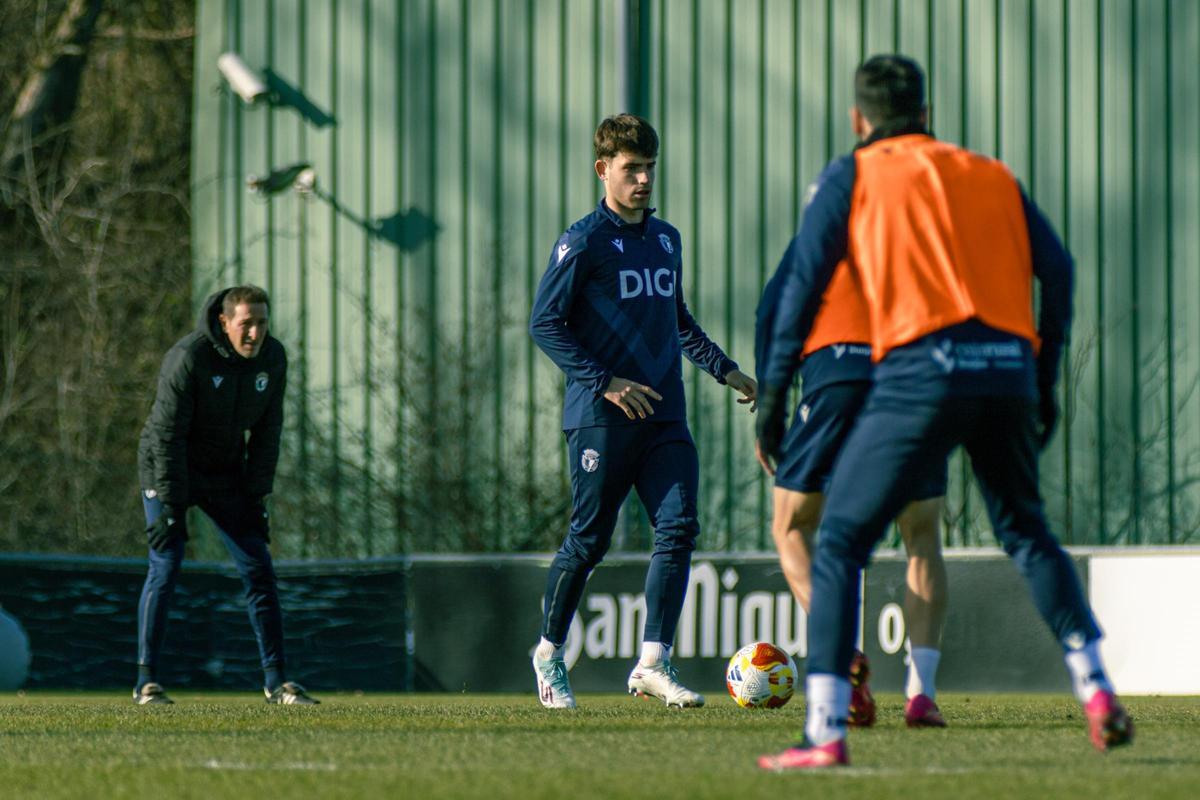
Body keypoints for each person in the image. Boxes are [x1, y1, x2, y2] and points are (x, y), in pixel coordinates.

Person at [755, 55, 1131, 768]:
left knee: (835, 544)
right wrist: (1044, 377)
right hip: (1006, 372)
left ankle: (825, 732)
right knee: (1025, 530)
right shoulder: (990, 172)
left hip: (921, 370)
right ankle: (1098, 690)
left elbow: (801, 285)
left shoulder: (852, 175)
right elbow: (1058, 269)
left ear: (857, 119)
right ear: (925, 113)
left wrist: (772, 398)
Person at [528, 113, 757, 709]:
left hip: (664, 417)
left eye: (650, 167)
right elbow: (544, 324)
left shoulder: (666, 239)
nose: (644, 179)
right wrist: (603, 382)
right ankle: (550, 654)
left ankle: (652, 661)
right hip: (600, 418)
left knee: (679, 528)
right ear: (603, 169)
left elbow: (676, 319)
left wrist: (724, 367)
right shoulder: (582, 241)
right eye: (632, 168)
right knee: (588, 542)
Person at [754, 250, 949, 729]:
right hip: (912, 377)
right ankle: (921, 693)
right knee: (921, 536)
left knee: (792, 525)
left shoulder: (823, 225)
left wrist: (771, 410)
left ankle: (843, 651)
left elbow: (771, 312)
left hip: (838, 371)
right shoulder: (912, 230)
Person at [133, 285, 318, 706]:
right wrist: (171, 507)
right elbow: (166, 437)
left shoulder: (274, 358)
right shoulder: (189, 357)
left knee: (259, 568)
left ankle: (277, 683)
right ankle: (146, 682)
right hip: (168, 468)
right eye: (246, 324)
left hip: (225, 474)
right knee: (167, 564)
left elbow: (268, 433)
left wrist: (257, 498)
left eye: (262, 323)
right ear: (224, 322)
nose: (255, 333)